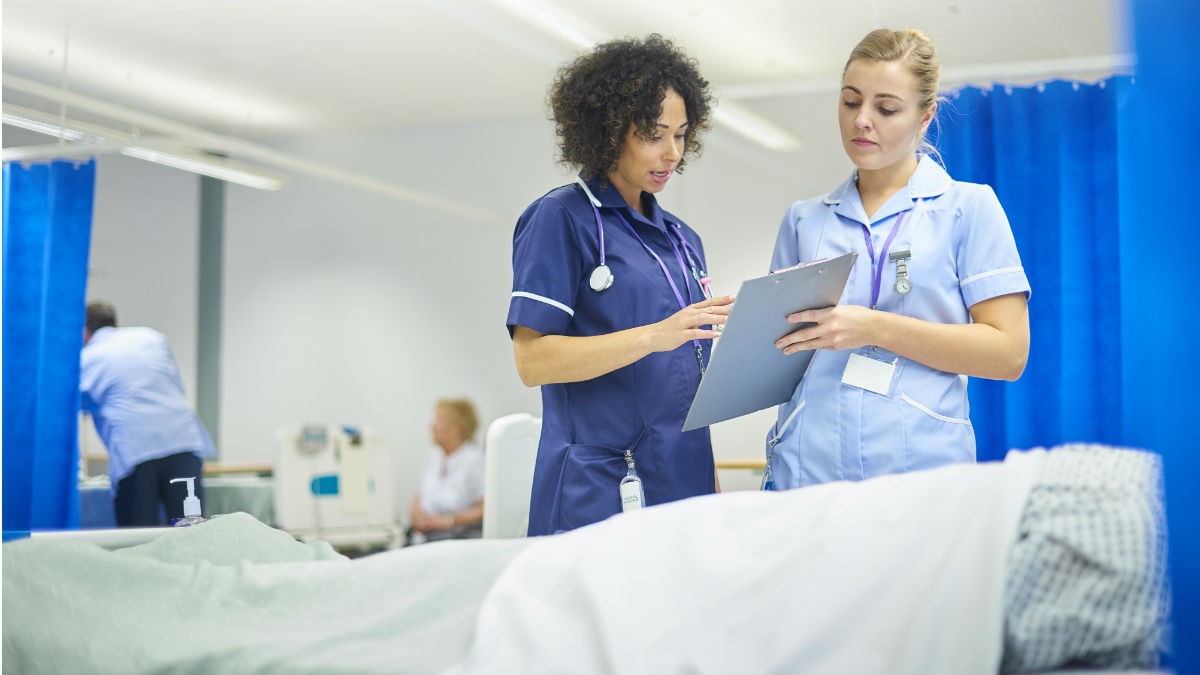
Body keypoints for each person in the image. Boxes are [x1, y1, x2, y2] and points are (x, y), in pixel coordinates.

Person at [763, 28, 1031, 489]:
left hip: (922, 469)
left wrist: (872, 327)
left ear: (926, 116)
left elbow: (1008, 355)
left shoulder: (966, 208)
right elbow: (778, 355)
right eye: (850, 102)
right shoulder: (805, 221)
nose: (862, 121)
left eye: (886, 108)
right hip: (808, 468)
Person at [506, 34, 734, 536]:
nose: (672, 153)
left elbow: (685, 379)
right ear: (609, 131)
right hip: (603, 485)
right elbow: (532, 361)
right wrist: (654, 336)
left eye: (681, 134)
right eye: (654, 134)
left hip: (685, 478)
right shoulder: (560, 219)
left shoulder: (682, 239)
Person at [79, 301, 216, 526]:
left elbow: (70, 405)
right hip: (183, 439)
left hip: (137, 450)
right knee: (191, 530)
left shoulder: (88, 358)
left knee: (138, 534)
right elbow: (173, 385)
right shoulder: (151, 338)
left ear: (83, 331)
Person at [407, 398, 486, 545]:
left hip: (456, 539)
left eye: (439, 419)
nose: (432, 426)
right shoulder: (434, 457)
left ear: (457, 428)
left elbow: (486, 508)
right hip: (424, 536)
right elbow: (418, 497)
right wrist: (419, 517)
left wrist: (448, 521)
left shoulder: (475, 461)